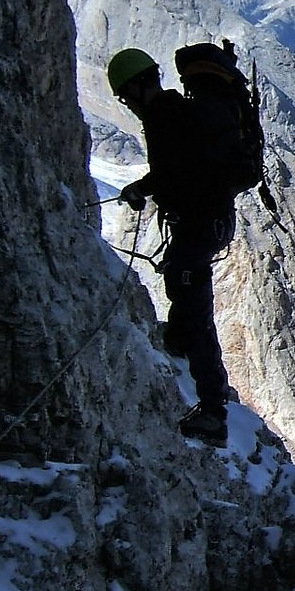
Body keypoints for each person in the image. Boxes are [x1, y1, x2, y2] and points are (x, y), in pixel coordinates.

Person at [106, 47, 235, 445]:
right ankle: (177, 343)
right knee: (184, 290)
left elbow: (173, 173)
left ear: (136, 87)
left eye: (127, 97)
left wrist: (145, 189)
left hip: (198, 226)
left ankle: (213, 411)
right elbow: (178, 171)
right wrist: (145, 187)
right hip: (209, 223)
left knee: (195, 307)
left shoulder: (164, 117)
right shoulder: (179, 111)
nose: (128, 105)